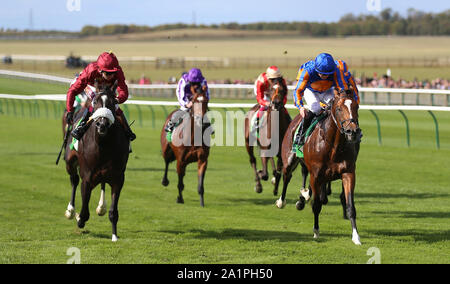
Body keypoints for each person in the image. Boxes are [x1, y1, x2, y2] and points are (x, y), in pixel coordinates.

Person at [292, 53, 358, 151]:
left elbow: (342, 87)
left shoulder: (336, 70)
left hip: (327, 90)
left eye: (328, 74)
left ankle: (348, 132)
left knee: (337, 107)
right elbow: (298, 91)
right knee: (316, 108)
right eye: (322, 74)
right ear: (316, 69)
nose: (325, 76)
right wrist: (301, 107)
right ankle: (300, 136)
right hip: (311, 91)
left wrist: (343, 99)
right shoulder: (307, 71)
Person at [65, 51, 136, 141]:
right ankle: (81, 127)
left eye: (112, 73)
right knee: (95, 102)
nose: (110, 76)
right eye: (107, 73)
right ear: (100, 70)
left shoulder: (118, 72)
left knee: (115, 106)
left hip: (108, 90)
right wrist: (70, 110)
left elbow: (123, 91)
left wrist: (117, 100)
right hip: (91, 87)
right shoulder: (91, 70)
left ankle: (127, 130)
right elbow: (73, 90)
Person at [164, 68, 210, 133]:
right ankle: (171, 123)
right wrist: (186, 104)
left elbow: (207, 93)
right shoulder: (183, 80)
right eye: (193, 83)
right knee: (183, 109)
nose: (196, 85)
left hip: (197, 96)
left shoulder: (203, 80)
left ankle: (208, 127)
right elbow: (179, 92)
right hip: (186, 96)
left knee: (203, 113)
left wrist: (204, 101)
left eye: (197, 83)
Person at [253, 66, 288, 130]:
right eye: (272, 79)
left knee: (282, 108)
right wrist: (266, 103)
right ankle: (257, 122)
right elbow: (259, 98)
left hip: (272, 91)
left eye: (277, 79)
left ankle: (289, 120)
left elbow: (285, 95)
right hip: (264, 92)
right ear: (268, 78)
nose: (275, 81)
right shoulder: (261, 82)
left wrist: (282, 103)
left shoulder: (282, 81)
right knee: (263, 107)